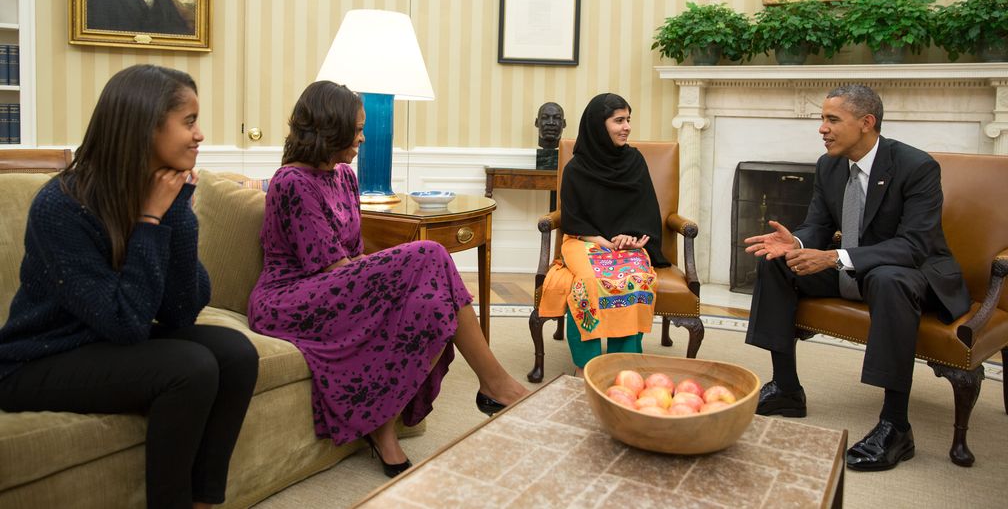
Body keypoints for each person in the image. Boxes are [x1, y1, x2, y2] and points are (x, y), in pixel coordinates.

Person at [0, 65, 259, 509]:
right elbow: (126, 322)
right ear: (144, 125)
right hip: (38, 359)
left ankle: (204, 501)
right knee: (190, 366)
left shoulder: (155, 191)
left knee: (236, 353)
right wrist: (151, 221)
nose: (199, 135)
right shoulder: (61, 206)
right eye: (189, 121)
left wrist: (175, 212)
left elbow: (182, 310)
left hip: (101, 339)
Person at [248, 80, 528, 478]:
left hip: (334, 286)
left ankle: (384, 431)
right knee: (429, 253)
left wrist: (392, 280)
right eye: (357, 128)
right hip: (291, 298)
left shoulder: (345, 175)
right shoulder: (290, 182)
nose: (363, 136)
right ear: (332, 128)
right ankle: (496, 385)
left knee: (431, 304)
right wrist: (393, 276)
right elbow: (329, 267)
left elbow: (355, 255)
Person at [743, 84, 971, 472]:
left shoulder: (917, 167)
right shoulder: (829, 164)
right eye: (822, 119)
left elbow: (915, 246)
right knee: (776, 262)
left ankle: (895, 426)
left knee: (888, 279)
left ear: (867, 123)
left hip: (912, 273)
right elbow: (818, 224)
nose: (822, 129)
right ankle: (786, 388)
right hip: (854, 268)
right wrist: (795, 241)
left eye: (832, 119)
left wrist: (834, 256)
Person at [537, 93, 670, 377]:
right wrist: (601, 241)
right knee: (588, 281)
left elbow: (646, 210)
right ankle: (586, 365)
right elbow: (573, 220)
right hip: (584, 241)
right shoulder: (575, 169)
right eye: (618, 120)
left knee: (635, 278)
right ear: (599, 125)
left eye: (628, 120)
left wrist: (630, 238)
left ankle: (624, 363)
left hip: (626, 245)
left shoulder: (634, 161)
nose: (626, 127)